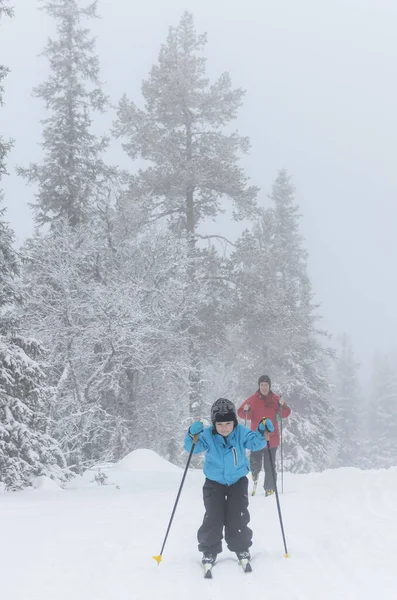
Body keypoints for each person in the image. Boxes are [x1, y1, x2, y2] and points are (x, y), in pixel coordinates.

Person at [184, 397, 273, 571]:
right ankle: (209, 550)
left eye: (228, 424)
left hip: (237, 481)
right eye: (220, 425)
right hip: (214, 482)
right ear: (214, 424)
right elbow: (192, 448)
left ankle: (241, 548)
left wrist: (262, 432)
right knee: (213, 516)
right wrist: (191, 435)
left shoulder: (241, 433)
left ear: (234, 422)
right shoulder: (208, 435)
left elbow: (255, 443)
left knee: (237, 516)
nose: (224, 428)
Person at [237, 375, 291, 496]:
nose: (264, 387)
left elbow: (286, 413)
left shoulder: (276, 399)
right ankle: (255, 475)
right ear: (259, 386)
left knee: (270, 465)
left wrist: (283, 405)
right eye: (262, 385)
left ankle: (270, 488)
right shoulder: (252, 399)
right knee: (255, 462)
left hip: (272, 438)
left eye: (266, 385)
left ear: (269, 386)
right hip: (256, 438)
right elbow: (242, 413)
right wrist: (246, 409)